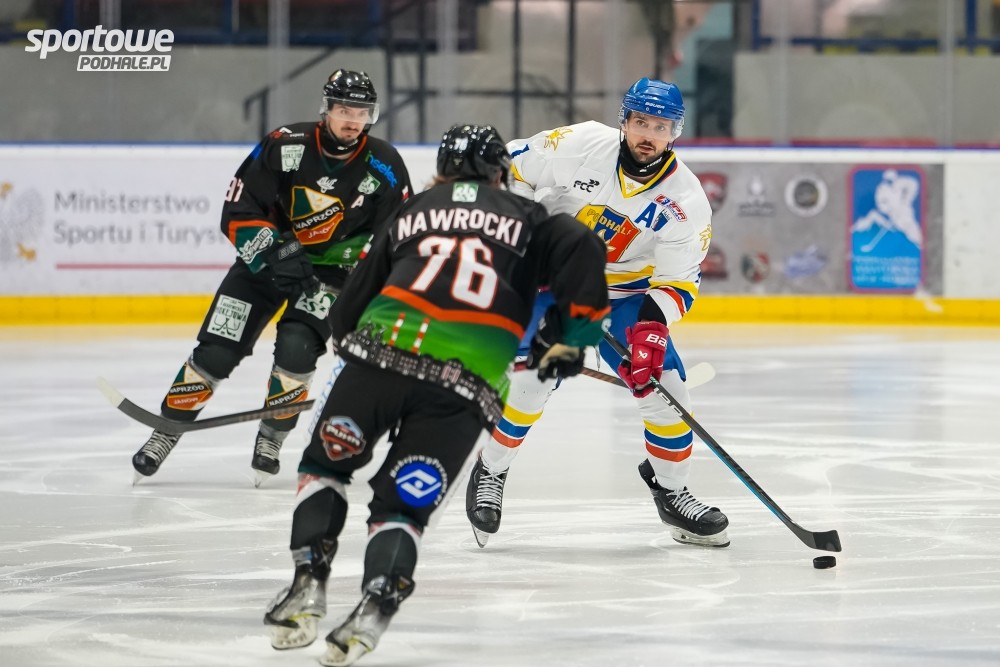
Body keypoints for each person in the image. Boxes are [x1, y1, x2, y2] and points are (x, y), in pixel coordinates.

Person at [262, 124, 610, 666]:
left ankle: (307, 583)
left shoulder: (412, 209)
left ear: (442, 170)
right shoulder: (528, 216)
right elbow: (583, 244)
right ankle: (376, 604)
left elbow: (350, 304)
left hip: (380, 357)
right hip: (466, 385)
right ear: (500, 173)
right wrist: (572, 335)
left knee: (325, 468)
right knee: (404, 506)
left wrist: (351, 348)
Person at [465, 78, 731, 549]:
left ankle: (672, 491)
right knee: (532, 381)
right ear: (624, 121)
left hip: (626, 295)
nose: (649, 134)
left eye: (661, 127)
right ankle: (491, 470)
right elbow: (509, 169)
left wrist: (650, 332)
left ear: (675, 133)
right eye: (641, 122)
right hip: (556, 282)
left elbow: (678, 281)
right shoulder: (581, 143)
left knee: (667, 391)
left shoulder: (687, 201)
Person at [130, 69, 411, 487]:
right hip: (265, 262)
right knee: (216, 351)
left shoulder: (385, 164)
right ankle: (165, 432)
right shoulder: (286, 143)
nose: (353, 120)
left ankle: (271, 439)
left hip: (328, 275)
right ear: (327, 109)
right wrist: (277, 250)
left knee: (297, 350)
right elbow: (239, 206)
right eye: (344, 110)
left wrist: (371, 301)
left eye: (362, 112)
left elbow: (396, 237)